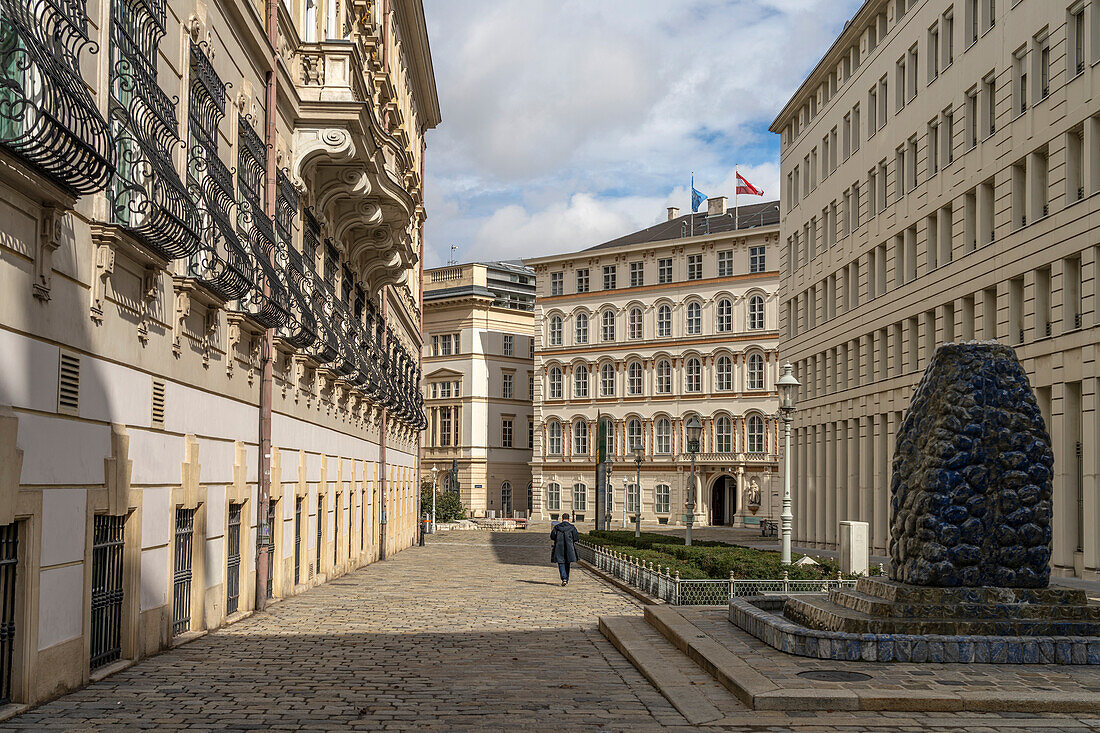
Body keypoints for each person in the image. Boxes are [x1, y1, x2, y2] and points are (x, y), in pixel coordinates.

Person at [550, 513, 579, 586]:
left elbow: (552, 536)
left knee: (561, 563)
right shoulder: (572, 527)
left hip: (559, 547)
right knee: (567, 563)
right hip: (569, 547)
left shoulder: (557, 527)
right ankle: (566, 578)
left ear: (562, 519)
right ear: (568, 519)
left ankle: (564, 578)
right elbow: (576, 537)